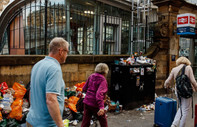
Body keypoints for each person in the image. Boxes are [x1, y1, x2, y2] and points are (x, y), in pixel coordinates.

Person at [26, 37, 69, 127]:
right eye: (67, 52)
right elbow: (51, 100)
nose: (67, 55)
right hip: (46, 124)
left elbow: (31, 92)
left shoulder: (37, 65)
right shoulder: (54, 69)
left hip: (31, 120)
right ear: (61, 51)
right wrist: (60, 125)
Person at [164, 56, 197, 127]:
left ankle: (174, 124)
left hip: (178, 91)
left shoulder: (174, 69)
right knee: (185, 110)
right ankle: (181, 125)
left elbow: (167, 81)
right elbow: (193, 81)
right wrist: (196, 88)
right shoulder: (188, 68)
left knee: (181, 107)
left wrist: (166, 86)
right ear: (187, 61)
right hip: (186, 91)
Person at [81, 63, 109, 127]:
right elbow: (99, 94)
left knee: (85, 122)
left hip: (87, 102)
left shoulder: (91, 76)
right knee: (103, 121)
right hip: (95, 104)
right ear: (105, 71)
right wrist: (101, 107)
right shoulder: (103, 80)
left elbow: (84, 88)